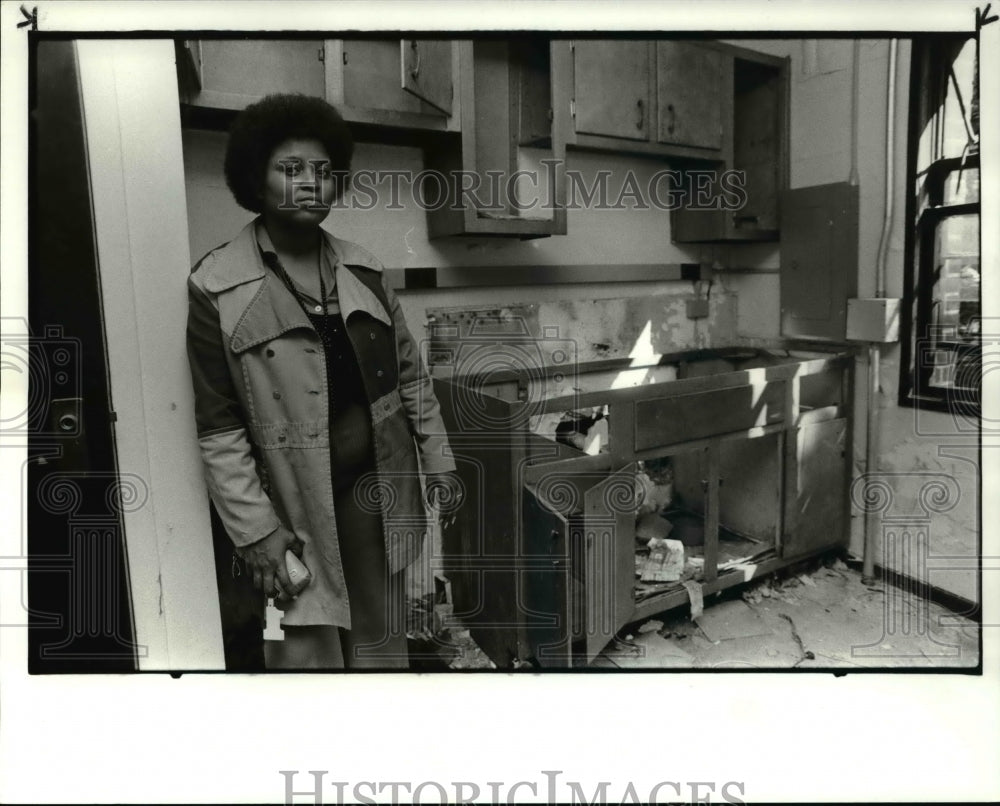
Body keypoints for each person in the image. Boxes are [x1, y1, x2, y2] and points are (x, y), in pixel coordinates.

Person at [186, 93, 461, 669]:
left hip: (374, 492)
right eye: (290, 170)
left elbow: (411, 377)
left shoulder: (364, 269)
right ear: (254, 180)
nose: (311, 183)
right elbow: (218, 427)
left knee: (382, 645)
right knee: (304, 658)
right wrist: (256, 530)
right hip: (287, 504)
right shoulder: (216, 285)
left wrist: (439, 458)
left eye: (323, 171)